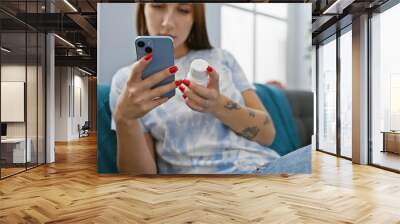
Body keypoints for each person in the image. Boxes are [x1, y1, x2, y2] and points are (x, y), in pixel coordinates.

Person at [109, 3, 279, 174]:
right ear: (143, 8)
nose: (168, 23)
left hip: (269, 166)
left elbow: (267, 134)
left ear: (195, 18)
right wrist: (124, 119)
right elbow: (140, 178)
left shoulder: (222, 58)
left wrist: (217, 105)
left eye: (183, 10)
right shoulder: (127, 82)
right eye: (158, 6)